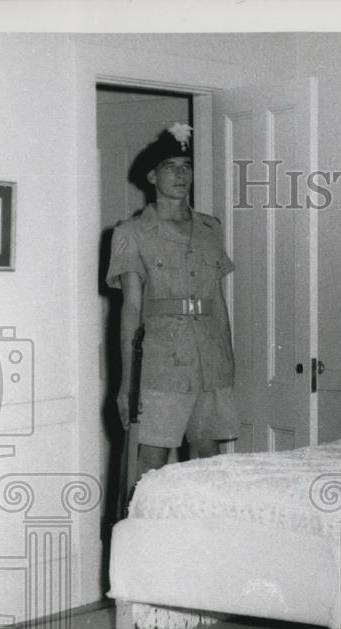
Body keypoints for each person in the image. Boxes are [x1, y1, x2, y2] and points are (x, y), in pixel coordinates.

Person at [106, 122, 237, 482]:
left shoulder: (212, 229)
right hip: (160, 365)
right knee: (150, 460)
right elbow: (130, 309)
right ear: (151, 175)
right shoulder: (131, 233)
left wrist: (228, 363)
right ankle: (140, 536)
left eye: (186, 166)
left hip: (209, 361)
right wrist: (126, 383)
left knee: (208, 457)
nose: (181, 174)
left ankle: (202, 535)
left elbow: (218, 301)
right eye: (170, 167)